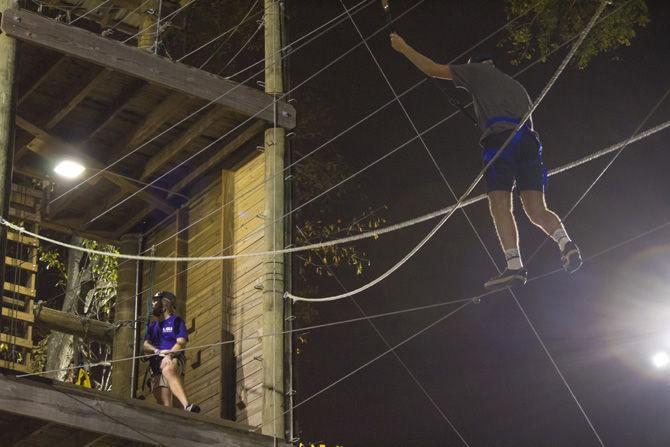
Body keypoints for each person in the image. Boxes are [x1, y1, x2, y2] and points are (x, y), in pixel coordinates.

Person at [389, 32, 582, 290]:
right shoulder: (517, 87)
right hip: (529, 142)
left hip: (501, 140)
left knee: (499, 204)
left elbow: (430, 69)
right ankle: (566, 243)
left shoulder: (476, 72)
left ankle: (514, 266)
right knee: (536, 209)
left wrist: (403, 47)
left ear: (476, 64)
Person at [143, 290, 200, 413]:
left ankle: (186, 405)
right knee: (165, 403)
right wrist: (157, 351)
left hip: (172, 357)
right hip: (155, 363)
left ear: (166, 303)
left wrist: (169, 355)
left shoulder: (176, 321)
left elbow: (181, 342)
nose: (153, 304)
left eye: (156, 301)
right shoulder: (152, 326)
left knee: (168, 369)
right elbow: (146, 345)